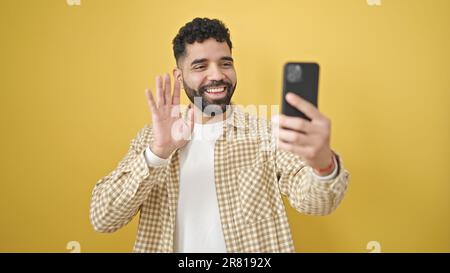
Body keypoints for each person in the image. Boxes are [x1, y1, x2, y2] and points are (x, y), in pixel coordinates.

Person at [89, 17, 349, 253]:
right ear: (179, 77)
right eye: (200, 66)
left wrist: (323, 165)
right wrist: (158, 153)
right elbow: (103, 219)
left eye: (225, 63)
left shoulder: (266, 136)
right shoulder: (151, 140)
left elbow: (317, 204)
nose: (217, 75)